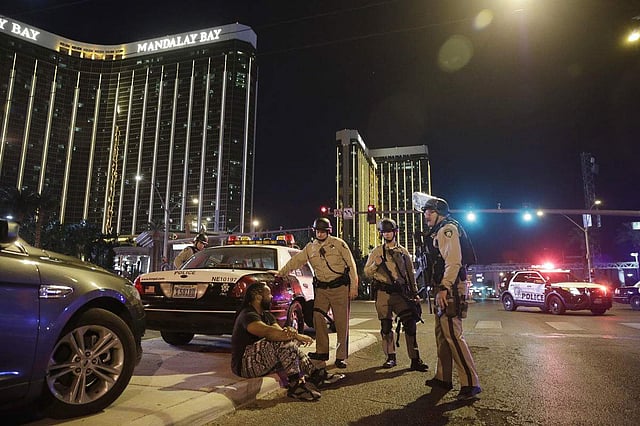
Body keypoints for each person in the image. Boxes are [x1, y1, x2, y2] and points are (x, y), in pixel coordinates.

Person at [416, 193, 482, 400]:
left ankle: (470, 383)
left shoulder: (447, 229)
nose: (426, 215)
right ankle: (443, 377)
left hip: (450, 287)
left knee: (453, 334)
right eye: (425, 212)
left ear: (440, 213)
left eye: (429, 211)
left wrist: (444, 287)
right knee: (442, 334)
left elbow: (453, 262)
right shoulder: (438, 231)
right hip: (443, 287)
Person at [231, 282, 344, 401]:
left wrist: (293, 334)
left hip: (260, 362)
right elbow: (267, 332)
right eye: (268, 294)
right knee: (282, 342)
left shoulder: (266, 315)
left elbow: (280, 332)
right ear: (258, 297)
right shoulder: (247, 315)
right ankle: (295, 386)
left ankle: (315, 375)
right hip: (244, 366)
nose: (271, 297)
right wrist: (295, 335)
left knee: (287, 341)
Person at [277, 217, 358, 370]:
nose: (320, 234)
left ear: (329, 231)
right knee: (318, 317)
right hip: (322, 289)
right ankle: (322, 351)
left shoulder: (338, 244)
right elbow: (296, 261)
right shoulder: (310, 247)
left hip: (339, 288)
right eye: (318, 231)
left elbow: (351, 265)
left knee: (341, 323)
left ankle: (341, 356)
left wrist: (354, 287)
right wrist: (281, 273)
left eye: (323, 231)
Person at [364, 218, 429, 372]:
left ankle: (415, 359)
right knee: (386, 326)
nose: (387, 234)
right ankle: (390, 356)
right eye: (384, 232)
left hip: (400, 293)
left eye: (389, 231)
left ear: (395, 232)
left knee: (410, 324)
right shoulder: (376, 252)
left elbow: (410, 275)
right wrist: (375, 264)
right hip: (383, 293)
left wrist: (414, 293)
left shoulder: (403, 252)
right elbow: (367, 273)